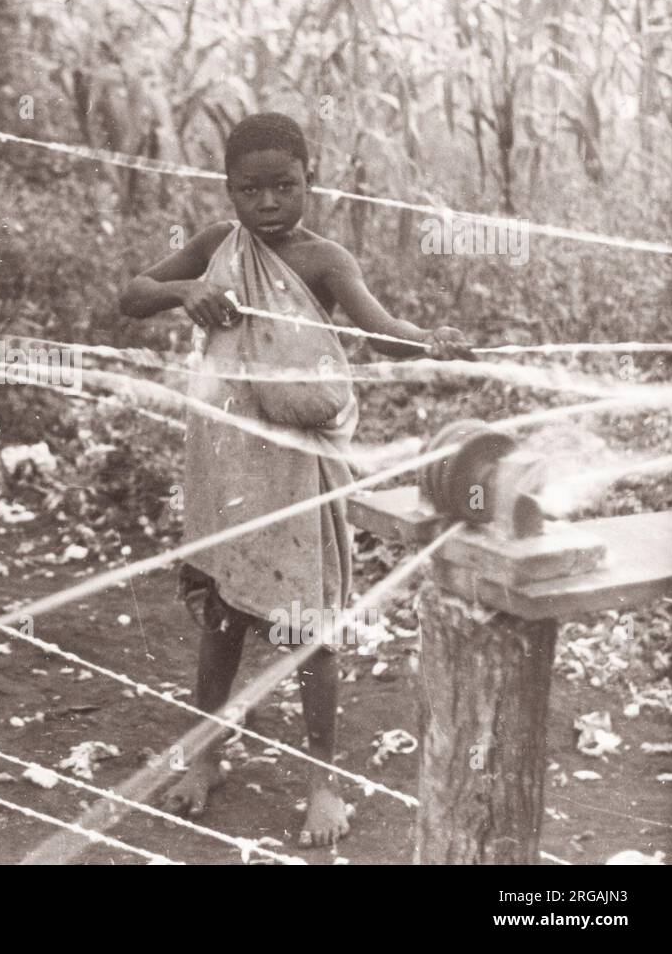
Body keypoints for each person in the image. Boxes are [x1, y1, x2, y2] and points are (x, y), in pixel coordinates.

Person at [118, 111, 473, 847]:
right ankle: (207, 752)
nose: (269, 203)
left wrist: (430, 342)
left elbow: (378, 327)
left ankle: (322, 784)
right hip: (224, 457)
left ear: (311, 179)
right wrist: (184, 293)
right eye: (252, 190)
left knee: (306, 624)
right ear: (230, 190)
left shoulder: (325, 261)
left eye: (285, 186)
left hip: (297, 461)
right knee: (221, 611)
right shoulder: (221, 245)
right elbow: (133, 294)